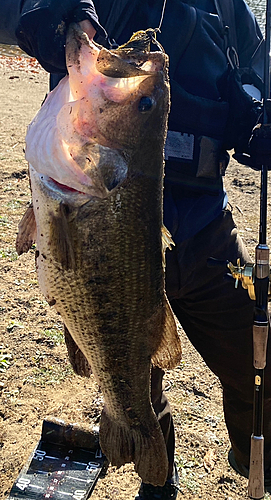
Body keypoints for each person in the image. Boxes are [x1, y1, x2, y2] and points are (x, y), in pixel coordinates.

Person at [1, 1, 271, 499]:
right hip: (103, 232)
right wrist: (55, 15)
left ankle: (260, 459)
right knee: (133, 370)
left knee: (256, 361)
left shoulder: (233, 13)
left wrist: (255, 120)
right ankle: (157, 474)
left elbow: (255, 80)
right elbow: (23, 16)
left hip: (207, 227)